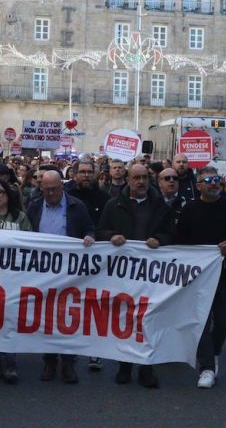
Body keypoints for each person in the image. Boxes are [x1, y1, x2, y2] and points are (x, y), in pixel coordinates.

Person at [96, 164, 174, 388]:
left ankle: (147, 367)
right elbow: (100, 230)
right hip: (123, 275)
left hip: (151, 275)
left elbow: (171, 234)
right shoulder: (114, 205)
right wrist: (112, 236)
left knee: (149, 321)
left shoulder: (159, 206)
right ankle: (125, 364)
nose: (141, 182)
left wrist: (159, 239)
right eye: (136, 178)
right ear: (128, 180)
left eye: (144, 178)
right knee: (125, 320)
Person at [177, 166, 226, 389]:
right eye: (208, 181)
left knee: (224, 321)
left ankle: (213, 352)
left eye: (216, 179)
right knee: (201, 323)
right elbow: (180, 242)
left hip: (225, 276)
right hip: (198, 278)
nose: (214, 183)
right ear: (199, 186)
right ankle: (206, 367)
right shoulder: (190, 210)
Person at [27, 170, 95, 384]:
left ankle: (68, 362)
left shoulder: (76, 206)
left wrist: (89, 237)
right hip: (42, 271)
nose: (50, 193)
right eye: (46, 189)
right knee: (46, 317)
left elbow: (90, 228)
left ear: (62, 187)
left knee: (68, 317)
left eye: (54, 189)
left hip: (69, 272)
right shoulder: (35, 206)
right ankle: (49, 361)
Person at [67, 159, 110, 227]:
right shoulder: (67, 197)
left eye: (90, 172)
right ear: (75, 175)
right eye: (82, 172)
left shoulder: (104, 198)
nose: (86, 175)